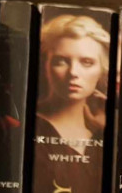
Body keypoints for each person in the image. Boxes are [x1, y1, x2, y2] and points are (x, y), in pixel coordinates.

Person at [37, 13, 110, 145]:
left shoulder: (106, 127)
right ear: (46, 66)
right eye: (61, 61)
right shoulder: (23, 124)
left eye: (86, 62)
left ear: (102, 70)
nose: (73, 72)